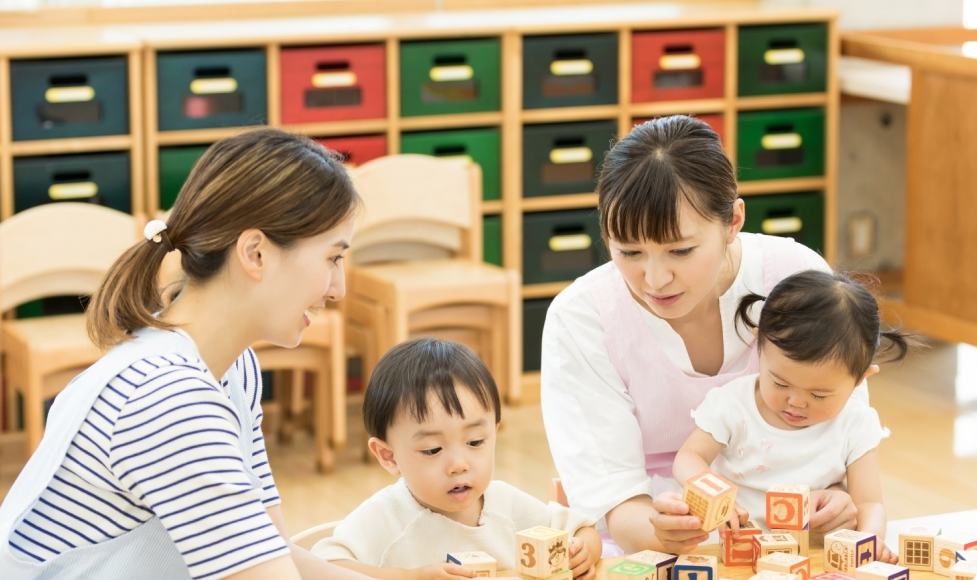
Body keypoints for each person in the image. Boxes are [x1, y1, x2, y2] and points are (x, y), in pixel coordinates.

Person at [0, 128, 374, 580]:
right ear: (255, 253)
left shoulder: (232, 369)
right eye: (333, 258)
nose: (339, 289)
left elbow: (269, 550)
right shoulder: (168, 397)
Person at [540, 115, 864, 556]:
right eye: (629, 252)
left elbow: (845, 434)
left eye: (680, 250)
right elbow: (618, 503)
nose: (655, 279)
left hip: (787, 543)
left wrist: (839, 503)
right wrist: (667, 533)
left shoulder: (796, 278)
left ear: (733, 221)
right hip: (648, 547)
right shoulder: (581, 318)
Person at [674, 270, 914, 562]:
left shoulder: (857, 424)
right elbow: (688, 458)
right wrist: (715, 491)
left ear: (861, 378)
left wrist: (870, 540)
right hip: (729, 549)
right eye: (780, 383)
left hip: (808, 554)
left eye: (819, 395)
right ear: (759, 345)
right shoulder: (732, 403)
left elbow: (870, 503)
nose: (796, 402)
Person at [313, 338, 603, 579]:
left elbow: (582, 529)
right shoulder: (385, 517)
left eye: (475, 442)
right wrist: (409, 576)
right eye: (433, 450)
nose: (459, 464)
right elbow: (320, 567)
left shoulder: (506, 504)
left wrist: (583, 551)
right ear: (389, 457)